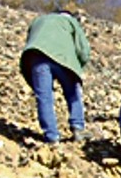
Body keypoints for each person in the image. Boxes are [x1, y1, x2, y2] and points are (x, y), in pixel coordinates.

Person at [19, 10, 91, 144]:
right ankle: (78, 128)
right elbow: (83, 49)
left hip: (36, 56)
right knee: (73, 94)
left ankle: (51, 137)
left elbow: (31, 39)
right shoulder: (70, 21)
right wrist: (79, 66)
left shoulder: (38, 20)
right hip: (63, 58)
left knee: (44, 98)